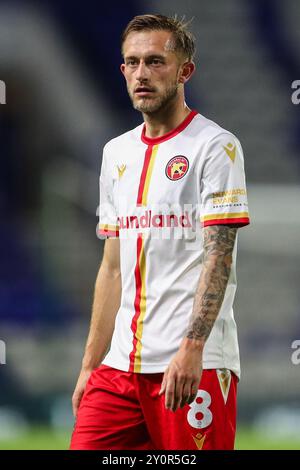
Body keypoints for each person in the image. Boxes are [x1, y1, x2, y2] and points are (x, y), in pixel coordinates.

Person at [70, 14, 250, 451]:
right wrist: (91, 365)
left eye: (155, 61)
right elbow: (112, 268)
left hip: (193, 363)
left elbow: (218, 257)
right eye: (132, 63)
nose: (141, 74)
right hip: (119, 369)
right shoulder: (116, 153)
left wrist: (192, 349)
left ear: (184, 71)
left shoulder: (215, 147)